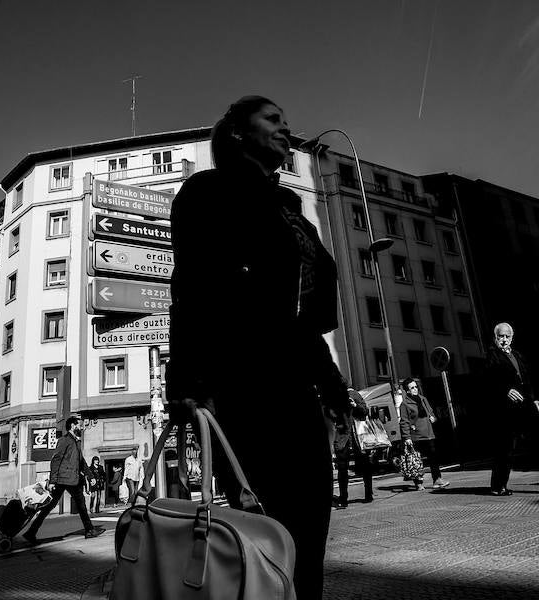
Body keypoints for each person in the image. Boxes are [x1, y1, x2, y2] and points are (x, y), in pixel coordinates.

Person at [168, 95, 349, 600]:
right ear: (238, 133)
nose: (285, 129)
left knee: (309, 530)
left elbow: (298, 315)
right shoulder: (208, 191)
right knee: (268, 533)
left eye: (288, 122)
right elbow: (192, 286)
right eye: (273, 119)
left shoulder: (287, 205)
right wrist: (185, 381)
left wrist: (331, 383)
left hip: (295, 382)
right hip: (240, 384)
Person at [485, 322, 539, 495]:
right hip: (505, 410)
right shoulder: (490, 355)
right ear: (495, 337)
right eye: (501, 336)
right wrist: (505, 390)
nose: (504, 339)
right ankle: (498, 487)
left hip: (525, 407)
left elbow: (527, 381)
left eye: (507, 336)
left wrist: (535, 399)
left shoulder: (517, 355)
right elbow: (487, 381)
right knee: (505, 448)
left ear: (512, 338)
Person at [23, 416, 104, 542]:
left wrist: (91, 476)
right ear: (72, 426)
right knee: (53, 505)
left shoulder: (76, 442)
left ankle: (31, 532)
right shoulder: (64, 440)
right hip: (63, 479)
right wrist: (53, 481)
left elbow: (81, 462)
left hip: (72, 479)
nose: (81, 427)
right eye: (79, 424)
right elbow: (56, 459)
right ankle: (89, 530)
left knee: (75, 505)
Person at [399, 378, 450, 491]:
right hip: (416, 436)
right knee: (416, 459)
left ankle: (437, 480)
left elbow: (430, 412)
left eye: (416, 387)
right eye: (412, 388)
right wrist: (407, 437)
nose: (415, 389)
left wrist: (433, 418)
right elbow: (404, 421)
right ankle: (418, 482)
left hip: (428, 434)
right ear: (407, 391)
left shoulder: (422, 399)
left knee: (433, 457)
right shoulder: (405, 404)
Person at [334, 388, 373, 508]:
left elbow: (365, 411)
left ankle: (368, 494)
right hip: (342, 437)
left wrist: (355, 405)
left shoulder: (354, 394)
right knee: (342, 468)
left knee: (365, 465)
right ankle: (343, 498)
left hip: (358, 435)